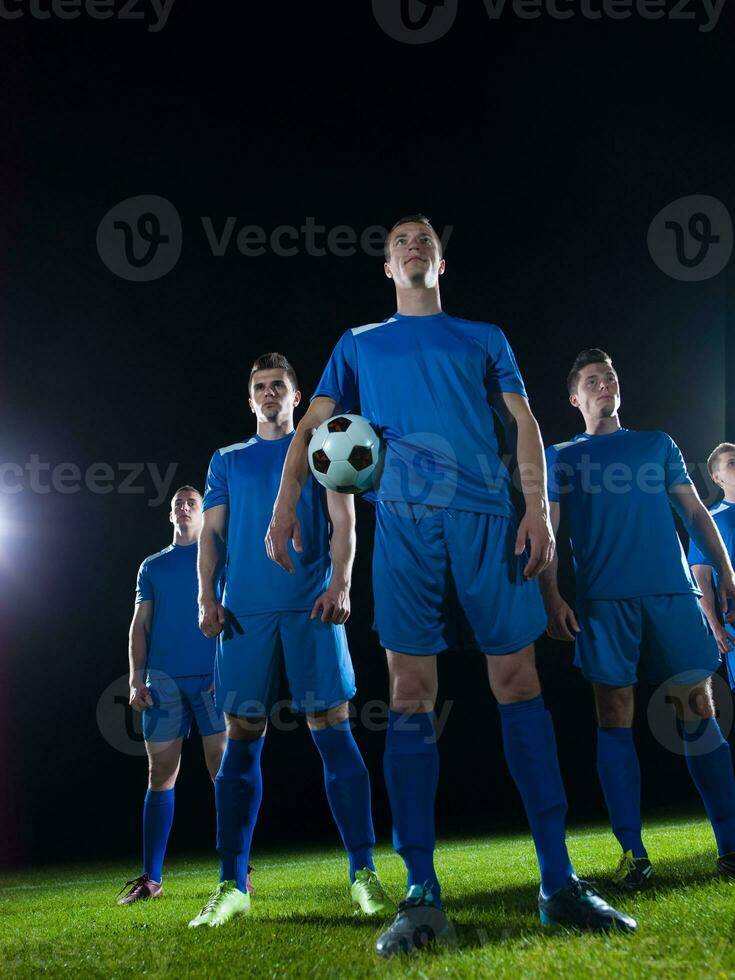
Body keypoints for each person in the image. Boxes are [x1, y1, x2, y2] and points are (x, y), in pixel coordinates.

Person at [265, 216, 636, 955]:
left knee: (519, 682)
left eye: (422, 239)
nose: (411, 245)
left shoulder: (483, 337)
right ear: (385, 265)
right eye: (398, 239)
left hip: (486, 519)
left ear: (439, 258)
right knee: (407, 695)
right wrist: (282, 506)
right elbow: (311, 429)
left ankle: (557, 884)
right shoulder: (358, 343)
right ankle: (420, 894)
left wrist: (537, 508)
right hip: (401, 526)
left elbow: (525, 424)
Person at [189, 352, 392, 928]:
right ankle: (231, 885)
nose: (270, 392)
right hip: (245, 615)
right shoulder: (226, 460)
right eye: (260, 386)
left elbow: (345, 523)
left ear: (297, 397)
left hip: (312, 608)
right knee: (241, 738)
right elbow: (212, 535)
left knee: (333, 729)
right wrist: (206, 596)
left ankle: (363, 874)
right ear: (250, 400)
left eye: (279, 384)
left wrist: (343, 583)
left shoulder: (325, 445)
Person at [540, 349, 735, 890]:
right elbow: (550, 535)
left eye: (611, 377)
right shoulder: (560, 456)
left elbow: (695, 513)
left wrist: (726, 570)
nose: (604, 384)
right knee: (614, 716)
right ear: (574, 397)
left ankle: (732, 845)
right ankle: (634, 853)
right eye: (591, 380)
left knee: (699, 708)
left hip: (672, 594)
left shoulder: (657, 443)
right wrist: (552, 597)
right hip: (605, 604)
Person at [118, 486, 228, 906]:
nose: (183, 507)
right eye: (177, 503)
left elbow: (232, 611)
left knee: (224, 771)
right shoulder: (153, 566)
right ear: (170, 515)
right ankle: (152, 878)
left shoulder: (219, 556)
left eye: (192, 503)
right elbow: (139, 626)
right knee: (160, 773)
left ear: (202, 514)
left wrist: (228, 667)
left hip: (212, 678)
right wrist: (135, 679)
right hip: (163, 683)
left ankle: (235, 873)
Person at [689, 443, 735, 673]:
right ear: (717, 478)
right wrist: (715, 626)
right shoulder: (710, 521)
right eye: (732, 463)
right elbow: (701, 576)